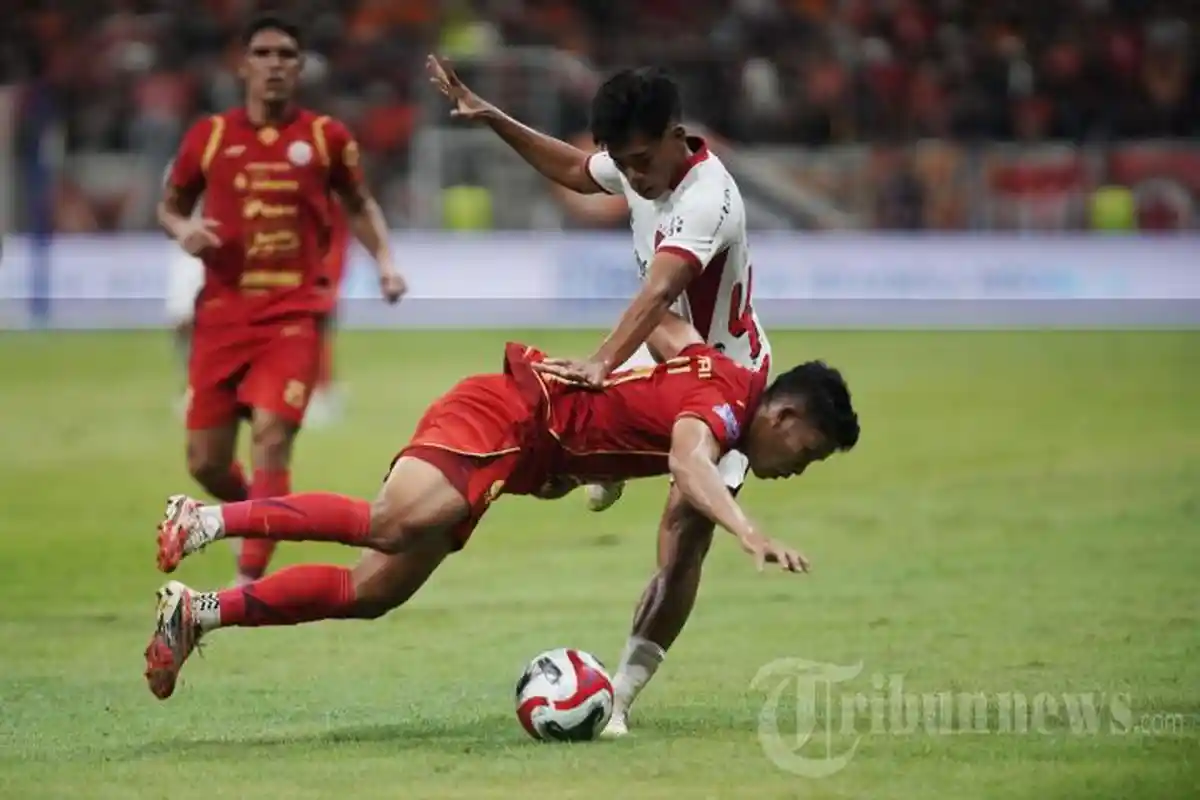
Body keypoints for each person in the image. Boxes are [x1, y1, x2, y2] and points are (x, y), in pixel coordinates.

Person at [143, 317, 860, 701]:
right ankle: (203, 519)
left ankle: (197, 613)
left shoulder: (722, 374)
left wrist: (599, 447)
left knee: (371, 593)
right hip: (506, 414)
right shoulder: (725, 407)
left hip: (523, 453)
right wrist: (747, 530)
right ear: (785, 415)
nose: (799, 468)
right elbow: (687, 461)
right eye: (808, 452)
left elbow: (666, 328)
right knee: (393, 522)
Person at [426, 57, 770, 735]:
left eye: (640, 162)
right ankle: (608, 462)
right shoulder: (641, 165)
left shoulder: (707, 198)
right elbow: (577, 171)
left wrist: (602, 363)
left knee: (683, 539)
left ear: (676, 136)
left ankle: (622, 696)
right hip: (663, 348)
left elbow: (660, 290)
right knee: (551, 456)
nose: (632, 178)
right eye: (624, 163)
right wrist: (494, 118)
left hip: (723, 378)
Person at [159, 14, 406, 587]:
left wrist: (386, 263)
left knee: (272, 437)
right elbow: (170, 205)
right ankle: (265, 513)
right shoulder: (209, 137)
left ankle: (246, 581)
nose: (275, 65)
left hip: (294, 314)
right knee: (205, 463)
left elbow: (360, 205)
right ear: (243, 65)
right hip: (222, 315)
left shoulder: (325, 138)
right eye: (264, 54)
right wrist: (183, 230)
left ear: (299, 68)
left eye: (286, 55)